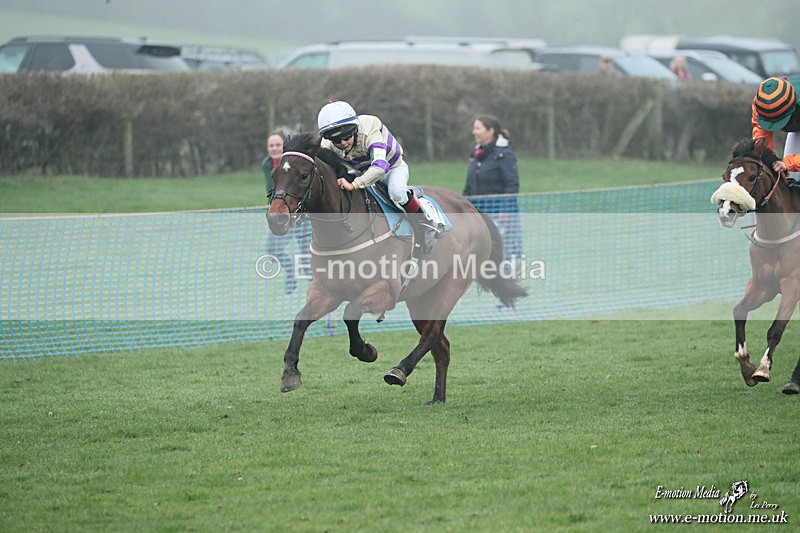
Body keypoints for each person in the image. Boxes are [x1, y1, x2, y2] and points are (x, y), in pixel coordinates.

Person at [317, 100, 443, 254]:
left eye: (347, 136)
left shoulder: (370, 128)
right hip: (362, 171)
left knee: (396, 193)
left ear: (355, 129)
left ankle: (425, 224)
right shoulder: (327, 144)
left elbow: (380, 167)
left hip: (392, 168)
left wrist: (355, 184)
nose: (343, 143)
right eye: (337, 140)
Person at [462, 115, 522, 259]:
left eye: (478, 128)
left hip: (501, 216)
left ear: (490, 131)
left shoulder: (504, 154)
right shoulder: (475, 155)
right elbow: (469, 187)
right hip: (479, 216)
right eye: (474, 128)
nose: (474, 132)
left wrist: (506, 211)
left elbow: (512, 185)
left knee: (501, 257)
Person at [263, 129, 311, 294]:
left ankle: (323, 301)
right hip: (282, 216)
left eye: (278, 145)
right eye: (271, 145)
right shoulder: (267, 165)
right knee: (271, 248)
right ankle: (290, 271)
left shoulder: (293, 164)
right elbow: (271, 191)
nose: (274, 148)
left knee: (307, 262)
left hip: (301, 218)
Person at [751, 76, 800, 182]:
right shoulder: (761, 104)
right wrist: (768, 159)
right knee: (789, 178)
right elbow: (761, 136)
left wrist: (789, 163)